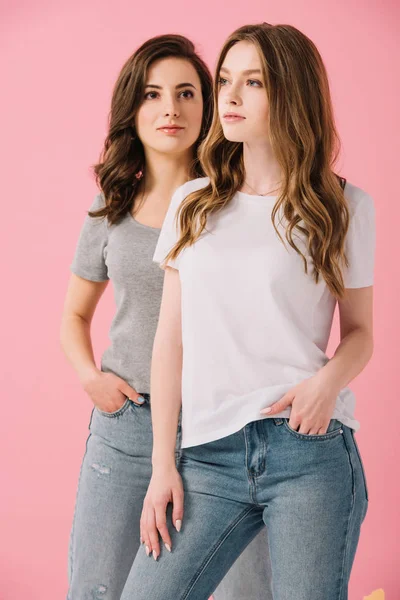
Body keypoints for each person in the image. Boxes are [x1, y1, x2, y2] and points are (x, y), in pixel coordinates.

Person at [120, 23, 375, 600]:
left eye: (252, 82)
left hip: (308, 450)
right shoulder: (193, 203)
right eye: (225, 80)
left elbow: (361, 335)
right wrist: (165, 465)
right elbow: (170, 343)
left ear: (290, 93)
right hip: (208, 455)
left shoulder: (344, 206)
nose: (228, 98)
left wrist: (326, 384)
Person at [61, 33, 273, 600]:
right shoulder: (109, 210)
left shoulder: (236, 206)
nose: (170, 109)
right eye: (153, 95)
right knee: (97, 585)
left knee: (245, 590)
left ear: (208, 107)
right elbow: (73, 316)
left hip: (220, 429)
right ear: (133, 108)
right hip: (127, 428)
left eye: (186, 93)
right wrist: (91, 377)